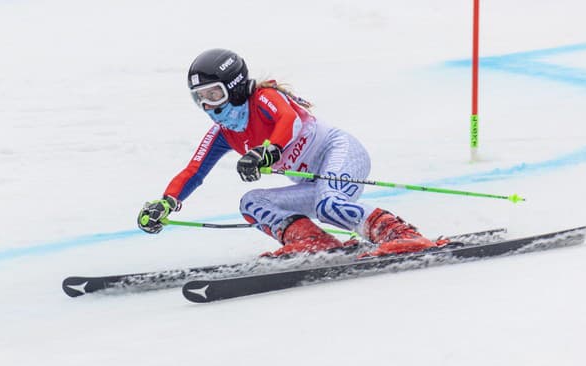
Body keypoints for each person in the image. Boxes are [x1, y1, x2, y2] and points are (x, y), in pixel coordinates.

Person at [137, 48, 440, 257]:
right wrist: (165, 203)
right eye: (200, 98)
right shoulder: (223, 133)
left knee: (329, 204)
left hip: (342, 153)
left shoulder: (264, 98)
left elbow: (288, 120)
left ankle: (401, 236)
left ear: (236, 86)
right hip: (313, 181)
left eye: (214, 94)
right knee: (252, 202)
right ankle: (312, 241)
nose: (208, 106)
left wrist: (267, 151)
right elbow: (193, 171)